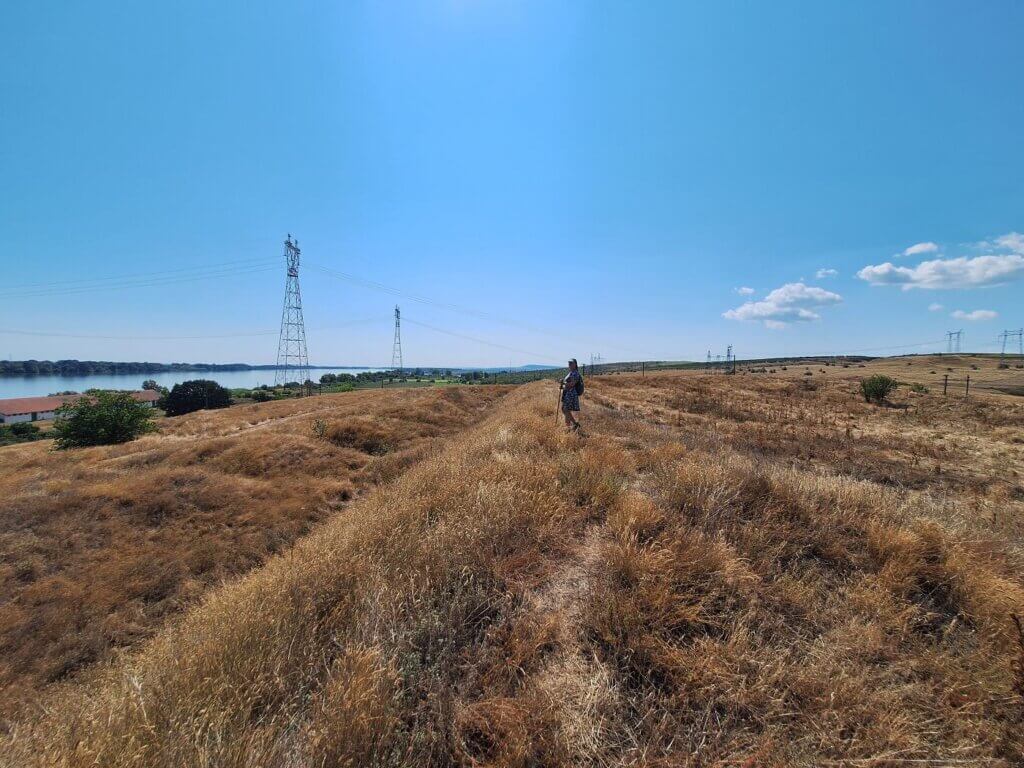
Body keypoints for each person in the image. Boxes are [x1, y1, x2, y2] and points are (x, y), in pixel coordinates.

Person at [560, 358, 582, 432]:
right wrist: (563, 385)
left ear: (575, 364)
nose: (569, 364)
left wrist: (563, 383)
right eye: (569, 363)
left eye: (571, 363)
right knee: (564, 409)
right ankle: (570, 426)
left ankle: (573, 425)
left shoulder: (575, 373)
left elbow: (572, 384)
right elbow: (568, 384)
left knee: (566, 409)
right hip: (567, 393)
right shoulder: (570, 372)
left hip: (571, 393)